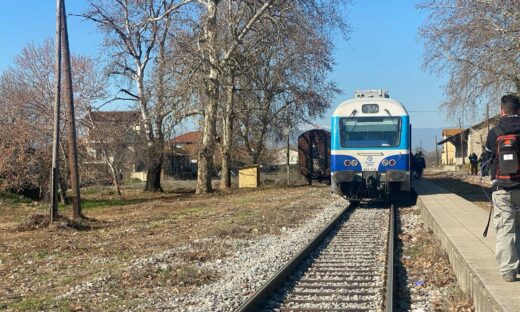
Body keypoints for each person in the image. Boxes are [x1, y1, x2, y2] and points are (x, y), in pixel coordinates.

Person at [485, 94, 520, 282]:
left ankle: (509, 270)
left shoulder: (495, 132)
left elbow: (487, 158)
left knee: (506, 228)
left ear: (501, 110)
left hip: (503, 188)